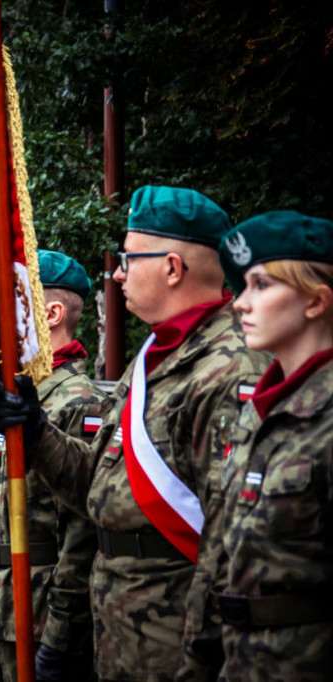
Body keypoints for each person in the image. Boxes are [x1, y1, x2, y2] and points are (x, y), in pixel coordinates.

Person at [0, 186, 268, 681]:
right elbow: (96, 488)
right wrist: (35, 431)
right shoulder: (153, 359)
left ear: (172, 267)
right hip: (121, 628)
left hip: (177, 636)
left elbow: (233, 542)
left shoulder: (228, 369)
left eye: (128, 258)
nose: (116, 273)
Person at [193, 211, 333, 680]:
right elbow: (221, 549)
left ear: (316, 300)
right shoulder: (259, 409)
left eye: (261, 285)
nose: (240, 304)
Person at [0, 250, 104, 682]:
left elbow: (82, 531)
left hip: (42, 611)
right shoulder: (18, 393)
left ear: (52, 313)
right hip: (1, 606)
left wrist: (60, 636)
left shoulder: (78, 400)